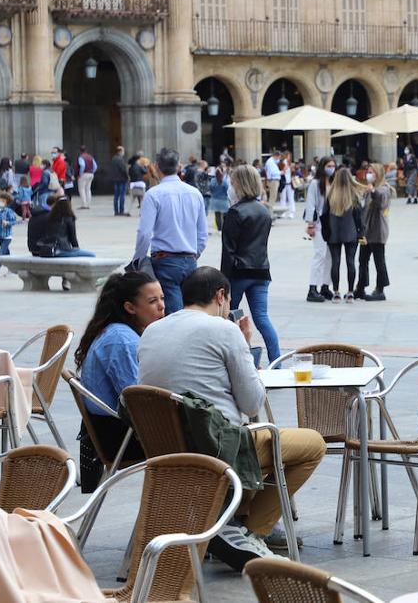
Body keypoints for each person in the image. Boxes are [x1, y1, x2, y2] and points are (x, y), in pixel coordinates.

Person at [137, 267, 326, 567]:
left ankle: (230, 520)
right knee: (312, 444)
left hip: (166, 447)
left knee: (257, 441)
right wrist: (246, 345)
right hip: (217, 445)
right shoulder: (224, 329)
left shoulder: (152, 331)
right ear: (221, 296)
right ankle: (250, 531)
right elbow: (252, 403)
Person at [73, 271, 162, 491]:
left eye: (162, 298)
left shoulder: (119, 331)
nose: (161, 306)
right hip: (121, 437)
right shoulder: (122, 340)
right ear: (130, 307)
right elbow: (136, 401)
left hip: (113, 429)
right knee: (205, 439)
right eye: (152, 301)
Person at [132, 149, 207, 314]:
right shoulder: (195, 194)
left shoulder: (153, 195)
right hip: (189, 259)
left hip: (165, 260)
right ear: (179, 167)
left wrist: (138, 259)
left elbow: (144, 233)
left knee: (174, 314)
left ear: (157, 167)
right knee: (190, 309)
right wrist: (195, 253)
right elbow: (202, 234)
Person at [222, 165, 279, 366]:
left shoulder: (235, 212)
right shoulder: (264, 211)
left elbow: (228, 251)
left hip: (238, 272)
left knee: (229, 316)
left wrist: (224, 280)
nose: (231, 187)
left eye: (232, 183)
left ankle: (235, 361)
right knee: (262, 318)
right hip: (261, 270)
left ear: (239, 184)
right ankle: (277, 362)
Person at [325, 166, 365, 303]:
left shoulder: (331, 194)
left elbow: (324, 215)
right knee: (350, 262)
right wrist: (361, 233)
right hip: (351, 232)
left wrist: (326, 232)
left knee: (335, 262)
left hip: (334, 233)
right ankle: (350, 293)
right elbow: (359, 217)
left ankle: (336, 292)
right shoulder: (354, 195)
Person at [355, 163, 392, 301]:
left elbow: (381, 203)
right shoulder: (369, 189)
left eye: (372, 172)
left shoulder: (384, 189)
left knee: (379, 260)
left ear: (378, 174)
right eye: (368, 172)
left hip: (377, 230)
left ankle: (380, 289)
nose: (368, 174)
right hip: (366, 231)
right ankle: (360, 287)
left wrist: (373, 192)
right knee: (362, 260)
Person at [303, 158, 336, 302]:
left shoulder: (334, 183)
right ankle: (312, 287)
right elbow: (310, 204)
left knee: (329, 256)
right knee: (319, 254)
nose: (331, 168)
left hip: (332, 223)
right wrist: (310, 224)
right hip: (319, 223)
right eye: (329, 166)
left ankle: (325, 286)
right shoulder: (315, 184)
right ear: (323, 167)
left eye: (333, 166)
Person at [210, 162, 231, 232]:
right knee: (225, 215)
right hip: (223, 200)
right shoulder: (224, 182)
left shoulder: (212, 181)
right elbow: (227, 191)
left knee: (217, 215)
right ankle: (225, 228)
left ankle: (219, 229)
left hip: (215, 200)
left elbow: (211, 189)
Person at [109, 146, 130, 216]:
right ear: (120, 151)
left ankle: (116, 211)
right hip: (122, 179)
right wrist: (127, 176)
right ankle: (121, 210)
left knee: (116, 196)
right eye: (123, 151)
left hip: (115, 179)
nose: (124, 153)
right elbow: (123, 170)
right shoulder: (120, 159)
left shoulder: (113, 159)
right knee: (122, 195)